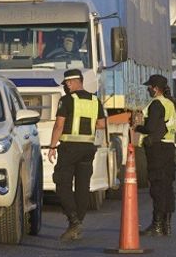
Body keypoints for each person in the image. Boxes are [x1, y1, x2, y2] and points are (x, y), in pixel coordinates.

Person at [47, 69, 105, 241]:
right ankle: (77, 223)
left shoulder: (67, 100)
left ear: (72, 82)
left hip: (69, 148)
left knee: (62, 183)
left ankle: (73, 220)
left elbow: (59, 125)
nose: (66, 86)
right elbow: (101, 124)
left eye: (66, 83)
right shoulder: (95, 100)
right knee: (82, 187)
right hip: (88, 148)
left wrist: (52, 146)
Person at [134, 74, 176, 237]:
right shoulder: (170, 104)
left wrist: (137, 127)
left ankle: (157, 226)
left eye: (149, 87)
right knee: (167, 186)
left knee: (157, 187)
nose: (147, 89)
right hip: (168, 148)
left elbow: (151, 128)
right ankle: (166, 225)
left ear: (155, 88)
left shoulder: (156, 104)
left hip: (157, 149)